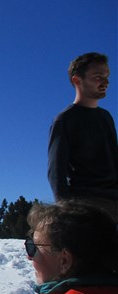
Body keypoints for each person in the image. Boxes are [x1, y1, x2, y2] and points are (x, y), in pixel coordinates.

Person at [47, 52, 118, 221]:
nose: (105, 82)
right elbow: (56, 171)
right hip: (88, 206)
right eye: (98, 77)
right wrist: (66, 212)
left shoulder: (106, 117)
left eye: (107, 76)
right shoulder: (65, 120)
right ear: (77, 80)